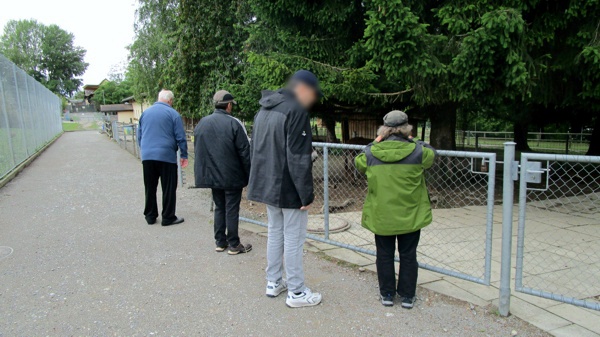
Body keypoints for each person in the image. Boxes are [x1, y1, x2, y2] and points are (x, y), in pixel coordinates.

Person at [248, 70, 323, 308]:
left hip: (268, 183)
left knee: (275, 233)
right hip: (288, 186)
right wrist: (306, 193)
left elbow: (257, 150)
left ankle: (273, 282)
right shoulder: (296, 110)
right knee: (293, 238)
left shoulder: (264, 110)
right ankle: (297, 292)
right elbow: (298, 156)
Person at [355, 110, 437, 309]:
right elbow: (431, 155)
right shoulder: (418, 152)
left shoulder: (370, 153)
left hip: (382, 216)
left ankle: (387, 294)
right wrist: (413, 140)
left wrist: (375, 142)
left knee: (384, 254)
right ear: (407, 129)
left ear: (383, 130)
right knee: (408, 255)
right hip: (410, 216)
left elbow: (359, 163)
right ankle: (408, 296)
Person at [194, 90, 252, 255]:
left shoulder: (202, 123)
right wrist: (249, 175)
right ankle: (234, 244)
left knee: (219, 207)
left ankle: (220, 242)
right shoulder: (234, 123)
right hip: (231, 175)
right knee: (231, 208)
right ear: (228, 105)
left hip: (211, 174)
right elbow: (244, 152)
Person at [137, 89, 188, 226]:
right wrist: (183, 155)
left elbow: (139, 136)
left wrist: (145, 150)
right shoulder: (173, 114)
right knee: (169, 187)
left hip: (147, 156)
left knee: (150, 186)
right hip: (166, 156)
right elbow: (180, 137)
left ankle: (150, 215)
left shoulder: (145, 113)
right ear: (170, 100)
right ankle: (168, 217)